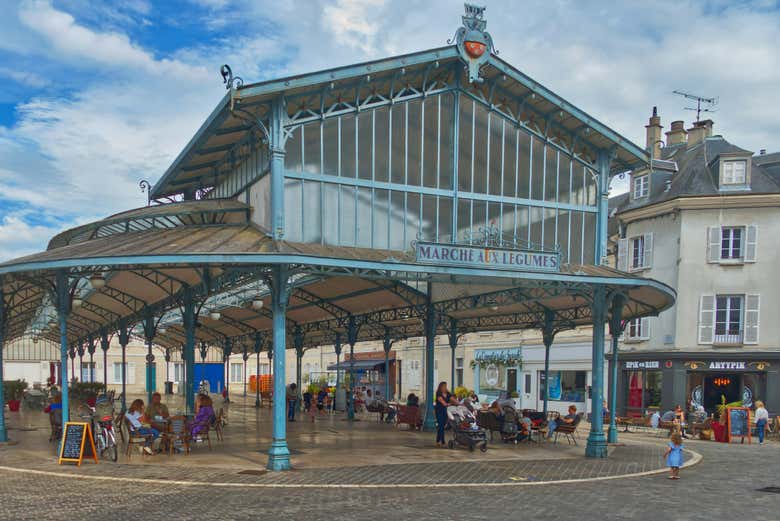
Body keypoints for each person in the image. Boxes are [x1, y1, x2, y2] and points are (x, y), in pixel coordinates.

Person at [434, 382, 455, 447]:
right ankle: (441, 441)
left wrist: (460, 403)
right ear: (441, 387)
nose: (445, 387)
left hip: (445, 411)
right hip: (439, 411)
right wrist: (449, 404)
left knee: (442, 426)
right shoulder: (438, 394)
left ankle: (439, 441)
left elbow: (453, 399)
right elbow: (443, 403)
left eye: (446, 386)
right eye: (444, 386)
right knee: (440, 426)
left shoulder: (448, 394)